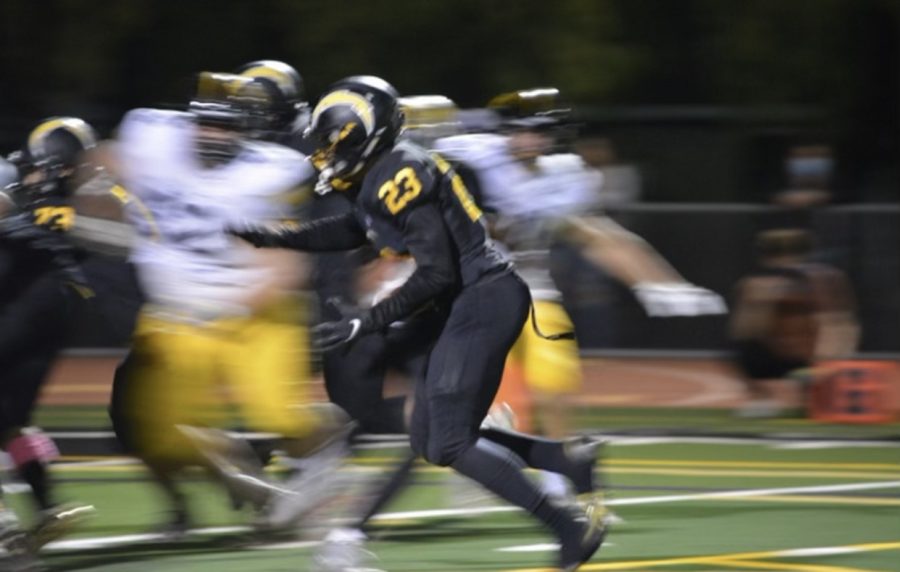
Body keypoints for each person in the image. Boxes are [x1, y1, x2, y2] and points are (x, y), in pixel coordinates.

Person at [229, 75, 607, 571]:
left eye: (334, 142)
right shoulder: (383, 172)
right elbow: (353, 228)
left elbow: (435, 272)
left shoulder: (401, 173)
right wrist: (278, 238)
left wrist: (368, 322)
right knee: (431, 438)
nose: (325, 154)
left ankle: (568, 528)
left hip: (479, 299)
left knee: (449, 442)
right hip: (463, 302)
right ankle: (564, 460)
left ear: (369, 135)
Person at [433, 88, 726, 499]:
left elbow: (595, 234)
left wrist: (656, 282)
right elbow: (413, 145)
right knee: (456, 400)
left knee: (555, 386)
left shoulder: (565, 174)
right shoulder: (472, 153)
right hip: (470, 295)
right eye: (523, 130)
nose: (533, 140)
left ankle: (559, 483)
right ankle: (479, 454)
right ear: (503, 130)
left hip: (532, 292)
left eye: (542, 131)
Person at [94, 71, 352, 534]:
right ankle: (232, 468)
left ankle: (323, 445)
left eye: (228, 127)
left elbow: (288, 264)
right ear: (188, 119)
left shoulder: (274, 172)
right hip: (175, 316)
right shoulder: (150, 134)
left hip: (257, 314)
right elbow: (105, 164)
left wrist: (240, 299)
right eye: (207, 124)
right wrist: (111, 199)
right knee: (155, 429)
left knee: (276, 413)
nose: (215, 135)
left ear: (249, 129)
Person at [0, 117, 100, 554]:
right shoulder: (85, 197)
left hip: (26, 313)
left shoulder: (35, 192)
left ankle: (5, 527)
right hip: (52, 319)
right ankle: (45, 507)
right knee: (11, 424)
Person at [730, 228, 859, 418]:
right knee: (742, 344)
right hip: (783, 355)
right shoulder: (757, 284)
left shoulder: (822, 280)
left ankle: (805, 396)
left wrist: (825, 362)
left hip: (812, 357)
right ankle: (764, 398)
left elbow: (837, 323)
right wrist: (758, 303)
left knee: (819, 407)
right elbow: (744, 331)